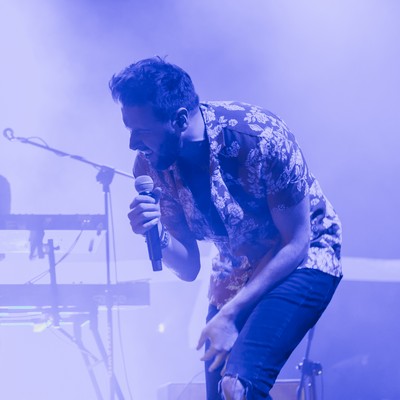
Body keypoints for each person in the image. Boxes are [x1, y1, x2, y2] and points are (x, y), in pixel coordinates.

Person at [109, 57, 342, 400]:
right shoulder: (150, 165)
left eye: (141, 131)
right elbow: (188, 266)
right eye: (129, 130)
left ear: (180, 120)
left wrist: (231, 313)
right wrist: (155, 233)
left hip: (304, 257)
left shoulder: (260, 137)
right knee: (222, 394)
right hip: (235, 269)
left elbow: (295, 241)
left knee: (238, 385)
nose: (132, 144)